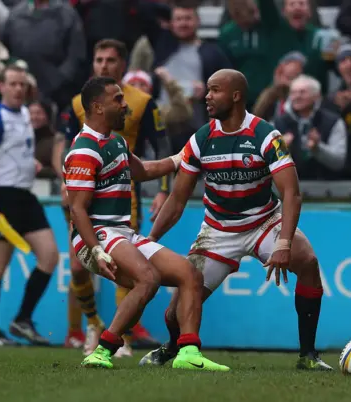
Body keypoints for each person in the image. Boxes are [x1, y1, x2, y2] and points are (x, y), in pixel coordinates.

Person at [139, 69, 333, 371]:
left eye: (214, 90)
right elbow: (177, 200)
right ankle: (172, 346)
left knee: (307, 261)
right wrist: (150, 242)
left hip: (264, 223)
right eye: (207, 90)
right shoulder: (201, 139)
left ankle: (308, 355)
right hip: (217, 230)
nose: (207, 96)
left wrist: (283, 242)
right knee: (173, 313)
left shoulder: (265, 135)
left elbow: (292, 194)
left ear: (236, 95)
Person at [65, 76, 229, 371]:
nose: (124, 104)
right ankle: (103, 350)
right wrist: (96, 250)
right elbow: (77, 210)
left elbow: (141, 170)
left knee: (190, 274)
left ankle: (189, 353)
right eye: (117, 99)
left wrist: (182, 158)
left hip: (121, 232)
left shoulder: (115, 142)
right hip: (97, 234)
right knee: (148, 278)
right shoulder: (83, 151)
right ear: (97, 107)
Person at [53, 39, 170, 356]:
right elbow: (67, 145)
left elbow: (158, 148)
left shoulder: (142, 102)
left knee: (126, 268)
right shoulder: (82, 102)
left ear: (123, 65)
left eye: (110, 60)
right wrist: (67, 177)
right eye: (98, 59)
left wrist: (163, 190)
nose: (104, 65)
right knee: (78, 268)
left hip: (122, 193)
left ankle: (122, 339)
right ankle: (92, 324)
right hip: (84, 190)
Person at [0, 64, 59, 346]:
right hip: (2, 198)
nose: (18, 89)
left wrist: (28, 164)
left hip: (25, 195)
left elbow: (13, 150)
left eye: (22, 84)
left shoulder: (25, 113)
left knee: (49, 256)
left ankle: (22, 319)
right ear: (1, 87)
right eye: (13, 84)